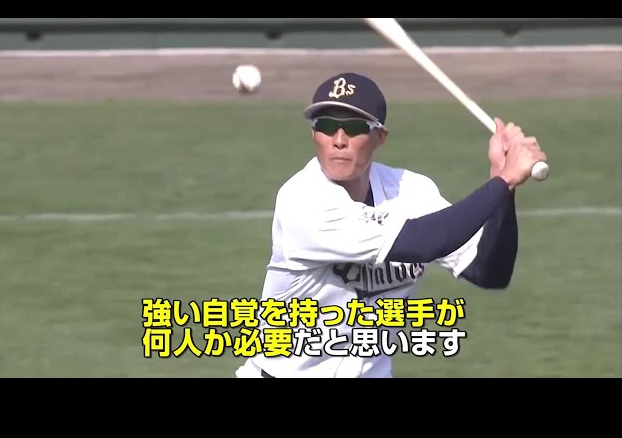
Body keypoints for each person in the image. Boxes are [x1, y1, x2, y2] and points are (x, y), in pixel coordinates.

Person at [234, 72, 548, 378]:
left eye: (354, 128)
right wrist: (503, 181)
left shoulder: (411, 190)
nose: (338, 141)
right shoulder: (303, 199)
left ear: (380, 137)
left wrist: (504, 187)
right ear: (313, 134)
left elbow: (489, 273)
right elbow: (422, 242)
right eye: (326, 127)